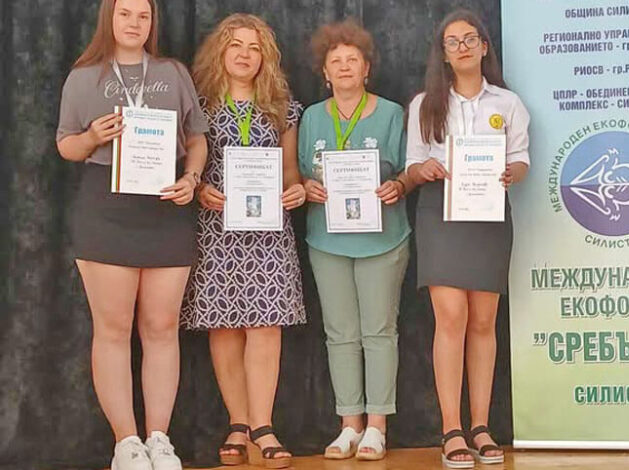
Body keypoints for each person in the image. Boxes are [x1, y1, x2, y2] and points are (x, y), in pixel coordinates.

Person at [55, 0, 208, 469]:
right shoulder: (84, 76)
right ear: (110, 18)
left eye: (143, 15)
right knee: (114, 330)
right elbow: (66, 145)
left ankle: (159, 439)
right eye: (125, 14)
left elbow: (196, 137)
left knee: (162, 328)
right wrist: (92, 137)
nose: (135, 23)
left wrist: (192, 179)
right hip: (106, 209)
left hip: (166, 208)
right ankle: (126, 443)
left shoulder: (173, 72)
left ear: (152, 22)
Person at [405, 9, 531, 469]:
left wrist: (511, 173)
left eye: (469, 39)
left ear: (483, 47)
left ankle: (480, 426)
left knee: (483, 320)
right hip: (440, 213)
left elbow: (522, 160)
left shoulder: (508, 103)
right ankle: (451, 428)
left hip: (489, 215)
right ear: (443, 53)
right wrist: (423, 169)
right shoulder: (425, 104)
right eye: (452, 41)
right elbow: (410, 167)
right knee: (451, 317)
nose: (462, 47)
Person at [182, 13, 306, 469]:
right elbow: (189, 166)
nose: (245, 54)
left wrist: (296, 190)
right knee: (225, 327)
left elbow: (291, 172)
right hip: (217, 229)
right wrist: (199, 189)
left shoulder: (283, 108)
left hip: (269, 232)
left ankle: (263, 425)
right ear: (220, 51)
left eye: (254, 48)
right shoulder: (199, 105)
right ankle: (238, 422)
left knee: (266, 327)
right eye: (236, 45)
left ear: (265, 57)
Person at [298, 18, 411, 461]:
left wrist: (398, 185)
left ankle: (377, 427)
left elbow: (407, 170)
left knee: (379, 332)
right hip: (327, 239)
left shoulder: (392, 113)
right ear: (325, 72)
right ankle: (349, 425)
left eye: (353, 59)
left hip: (383, 238)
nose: (344, 66)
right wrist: (306, 187)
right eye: (336, 61)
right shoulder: (311, 117)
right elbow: (300, 174)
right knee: (340, 334)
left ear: (367, 69)